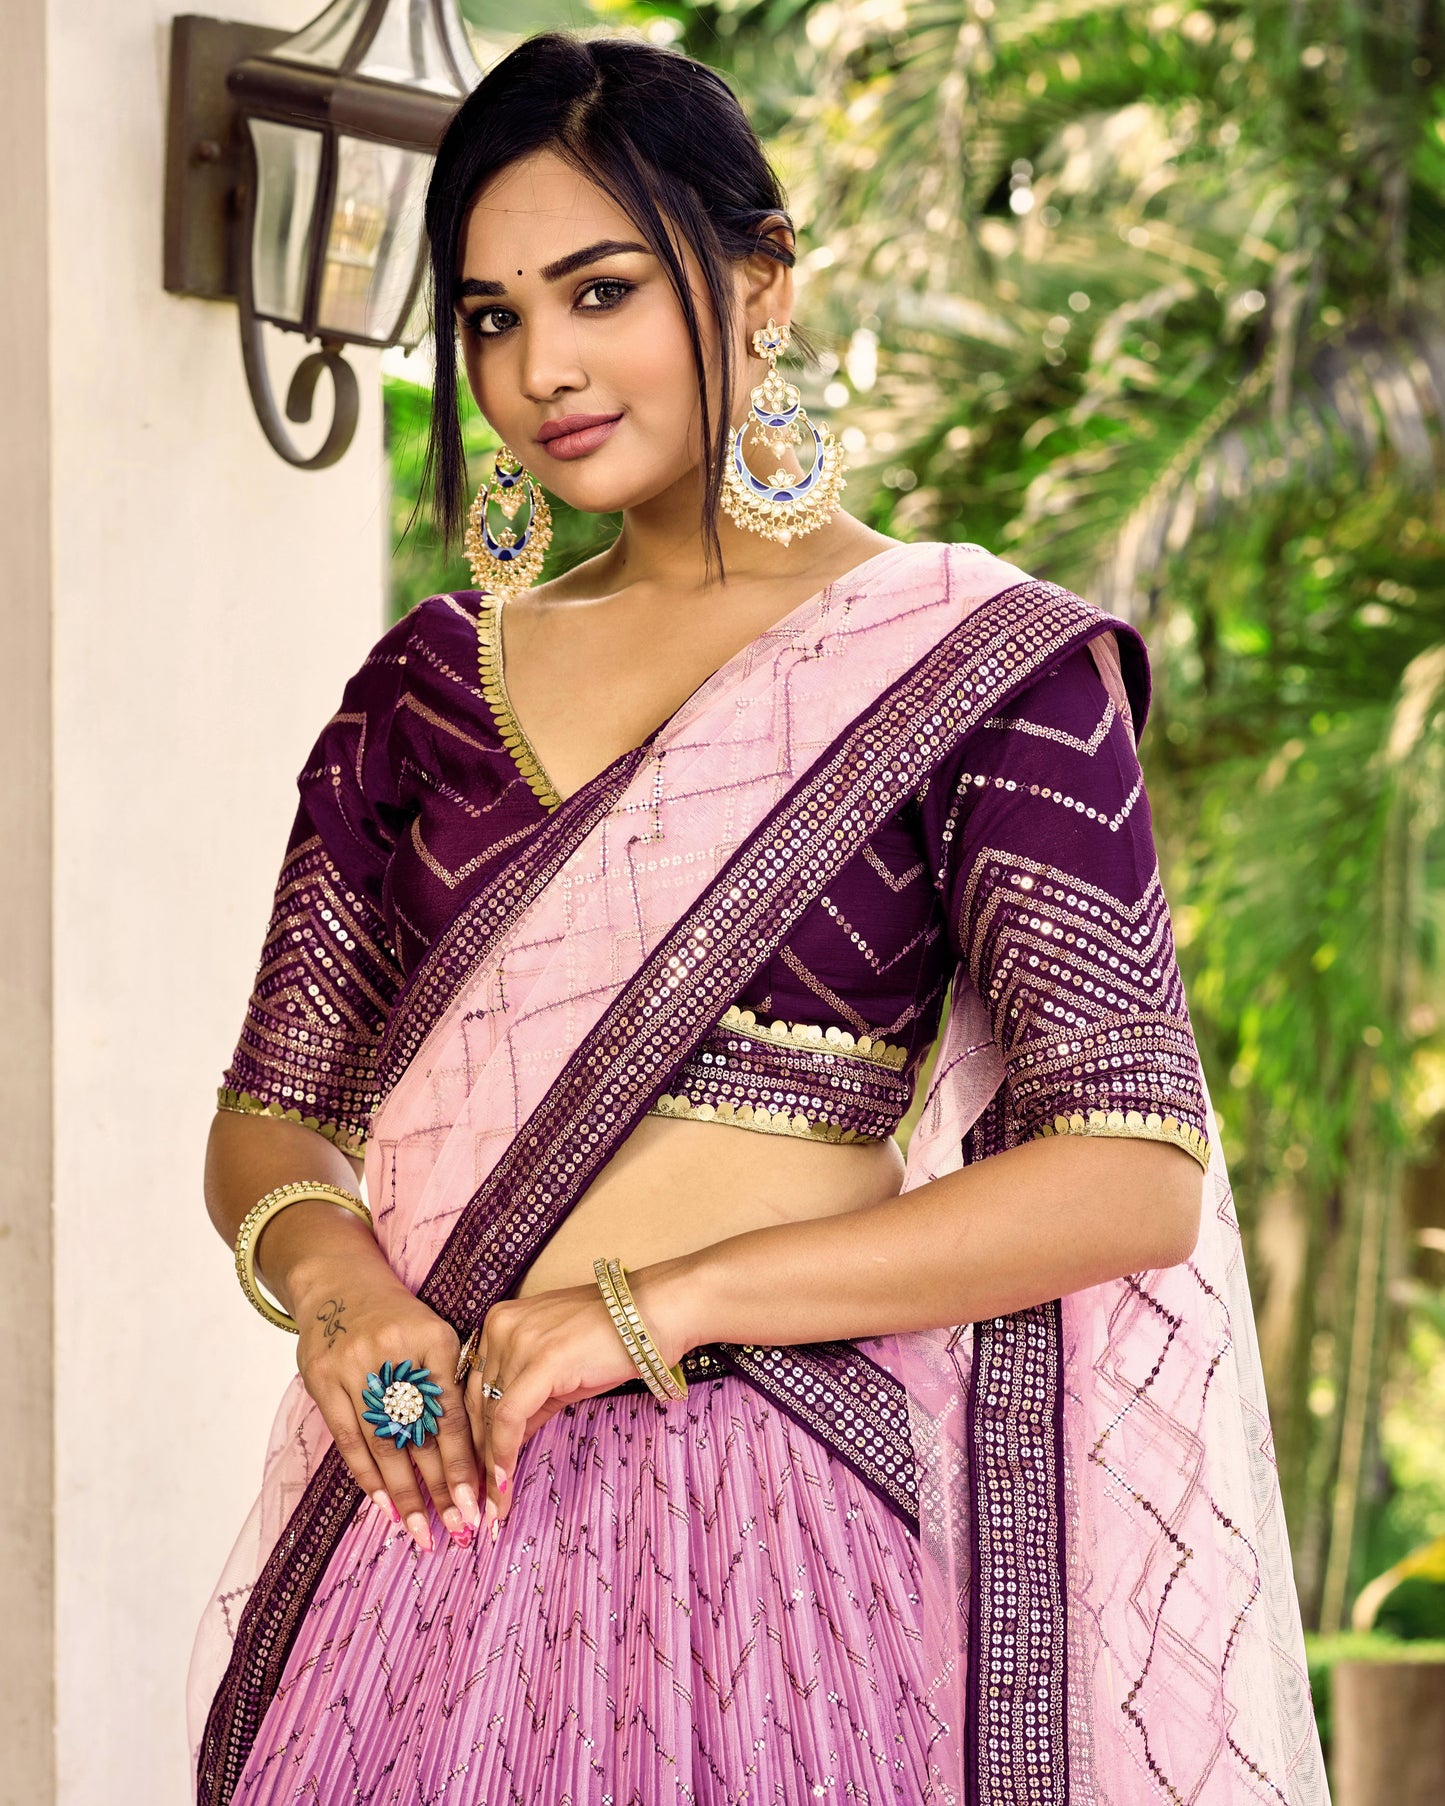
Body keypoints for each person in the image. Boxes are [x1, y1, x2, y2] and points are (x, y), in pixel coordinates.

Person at [191, 30, 1327, 1805]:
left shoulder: (980, 671)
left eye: (600, 290)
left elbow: (1128, 1168)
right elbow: (272, 1116)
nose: (543, 367)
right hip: (436, 1534)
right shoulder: (424, 688)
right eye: (491, 316)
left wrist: (651, 1310)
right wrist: (342, 1298)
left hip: (782, 1545)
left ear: (758, 280)